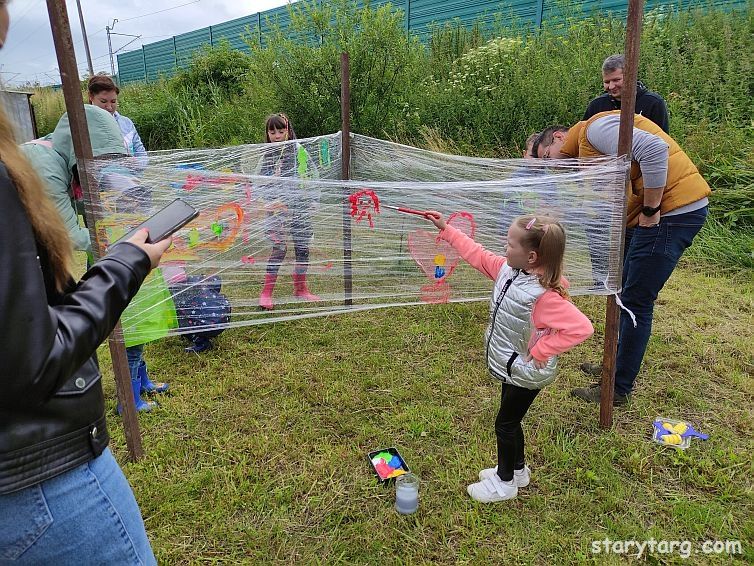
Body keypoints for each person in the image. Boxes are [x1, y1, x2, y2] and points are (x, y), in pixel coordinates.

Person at [0, 5, 170, 559]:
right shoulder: (32, 171)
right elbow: (32, 351)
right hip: (37, 475)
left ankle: (140, 387)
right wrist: (124, 263)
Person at [532, 110, 710, 405]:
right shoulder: (590, 147)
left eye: (549, 157)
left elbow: (654, 150)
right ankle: (612, 368)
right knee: (623, 292)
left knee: (635, 301)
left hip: (671, 213)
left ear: (560, 138)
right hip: (664, 212)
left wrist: (651, 210)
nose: (555, 166)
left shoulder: (595, 130)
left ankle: (618, 388)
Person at [422, 212, 594, 503]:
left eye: (511, 244)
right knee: (511, 421)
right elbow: (476, 254)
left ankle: (504, 484)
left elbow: (582, 328)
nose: (505, 248)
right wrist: (447, 229)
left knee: (504, 424)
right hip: (512, 365)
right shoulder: (508, 270)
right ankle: (518, 471)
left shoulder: (544, 296)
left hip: (527, 371)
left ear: (531, 257)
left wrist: (541, 350)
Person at [20, 105, 168, 411]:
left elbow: (91, 213)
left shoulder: (64, 160)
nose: (101, 169)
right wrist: (129, 249)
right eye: (100, 161)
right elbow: (70, 234)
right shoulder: (46, 163)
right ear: (83, 150)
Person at [257, 113, 320, 310]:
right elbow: (259, 184)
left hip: (300, 208)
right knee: (279, 249)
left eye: (281, 131)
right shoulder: (266, 157)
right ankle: (266, 293)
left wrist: (313, 199)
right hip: (277, 211)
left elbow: (312, 175)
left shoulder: (299, 152)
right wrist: (269, 199)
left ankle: (301, 288)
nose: (276, 135)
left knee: (302, 249)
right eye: (272, 131)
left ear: (288, 131)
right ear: (267, 133)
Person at [583, 54, 670, 134]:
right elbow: (583, 138)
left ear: (631, 76)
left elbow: (663, 142)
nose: (611, 86)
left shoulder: (653, 103)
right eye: (607, 82)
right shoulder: (596, 106)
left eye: (616, 80)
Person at [88, 74, 147, 159]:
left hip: (130, 172)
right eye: (103, 101)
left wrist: (136, 164)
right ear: (91, 97)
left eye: (113, 101)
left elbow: (141, 154)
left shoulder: (126, 123)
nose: (109, 107)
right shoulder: (84, 126)